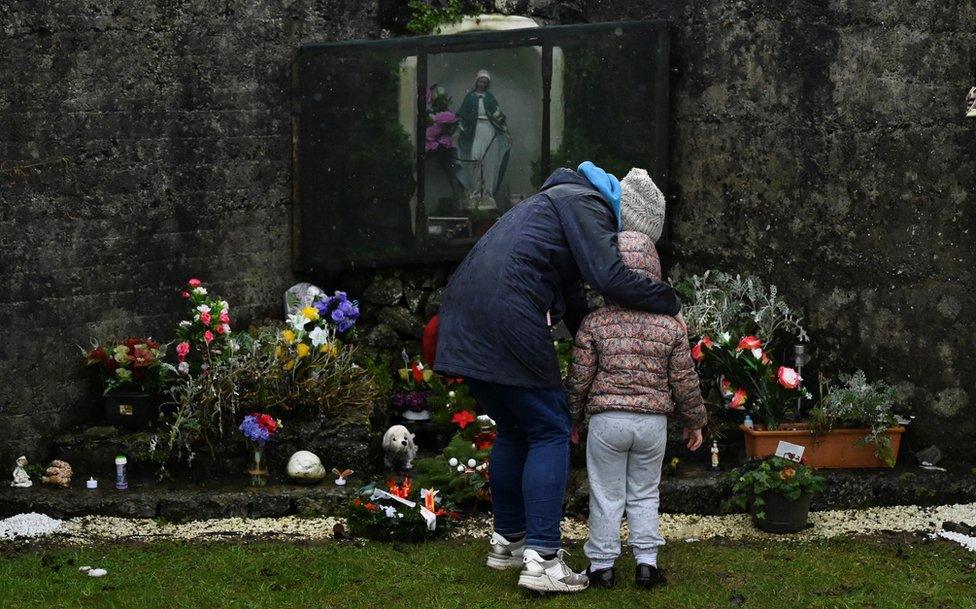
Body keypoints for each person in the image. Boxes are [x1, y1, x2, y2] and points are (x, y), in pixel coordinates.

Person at [433, 161, 682, 593]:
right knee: (550, 428)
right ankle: (543, 560)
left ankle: (509, 542)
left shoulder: (558, 201)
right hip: (508, 310)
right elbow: (610, 276)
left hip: (463, 312)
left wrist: (606, 338)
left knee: (515, 428)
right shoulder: (587, 204)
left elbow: (575, 298)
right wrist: (669, 301)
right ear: (628, 223)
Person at [565, 230, 707, 590]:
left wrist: (573, 418)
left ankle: (602, 566)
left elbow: (579, 378)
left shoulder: (594, 323)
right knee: (645, 493)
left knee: (606, 494)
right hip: (652, 424)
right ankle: (646, 564)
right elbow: (684, 380)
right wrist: (694, 422)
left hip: (607, 421)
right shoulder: (668, 326)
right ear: (654, 273)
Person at [456, 69, 510, 208]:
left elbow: (498, 115)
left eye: (485, 82)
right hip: (475, 131)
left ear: (487, 84)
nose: (482, 83)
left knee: (488, 162)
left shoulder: (490, 98)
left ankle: (487, 193)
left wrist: (501, 125)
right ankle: (474, 192)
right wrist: (460, 127)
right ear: (476, 82)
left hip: (489, 130)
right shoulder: (470, 98)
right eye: (480, 81)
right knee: (475, 159)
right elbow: (462, 115)